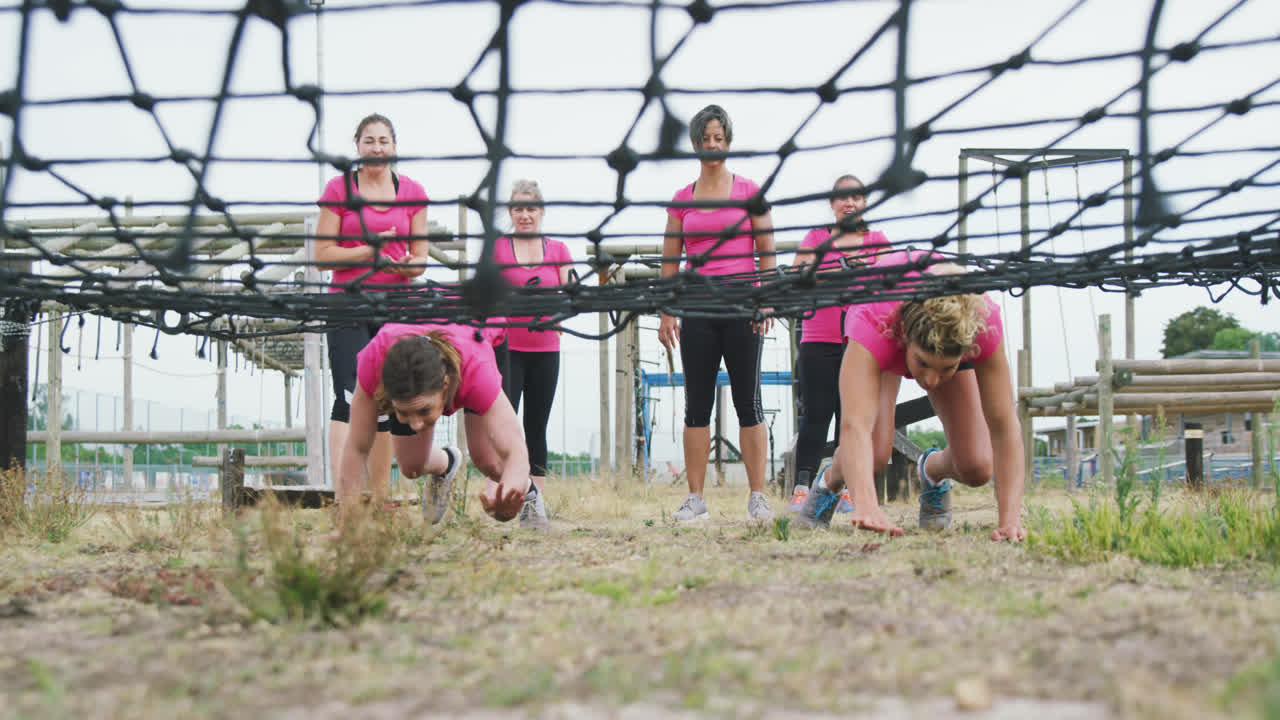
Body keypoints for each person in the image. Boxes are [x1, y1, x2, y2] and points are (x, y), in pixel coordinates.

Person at [794, 250, 1026, 542]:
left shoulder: (983, 325)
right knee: (875, 455)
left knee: (977, 466)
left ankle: (931, 470)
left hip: (944, 316)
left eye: (946, 369)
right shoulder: (873, 318)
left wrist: (1010, 520)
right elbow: (854, 425)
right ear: (905, 340)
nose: (930, 381)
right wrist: (867, 505)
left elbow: (1005, 426)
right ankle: (829, 483)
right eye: (923, 364)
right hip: (884, 318)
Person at [657, 104, 777, 522]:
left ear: (728, 142)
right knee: (696, 404)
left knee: (750, 400)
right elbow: (669, 263)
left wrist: (766, 299)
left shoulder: (749, 192)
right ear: (695, 144)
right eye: (705, 138)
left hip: (743, 307)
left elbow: (768, 255)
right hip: (697, 308)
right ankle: (696, 499)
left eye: (719, 138)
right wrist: (667, 311)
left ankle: (758, 496)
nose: (712, 144)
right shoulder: (680, 201)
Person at [315, 113, 430, 508]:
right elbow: (322, 255)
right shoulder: (338, 188)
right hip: (347, 301)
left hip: (396, 304)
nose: (376, 147)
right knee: (349, 392)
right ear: (358, 146)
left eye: (383, 140)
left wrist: (401, 265)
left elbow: (420, 260)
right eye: (369, 140)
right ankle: (345, 495)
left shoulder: (413, 192)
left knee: (387, 395)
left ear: (394, 146)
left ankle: (379, 496)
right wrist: (371, 251)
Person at [338, 322, 549, 530]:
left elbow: (515, 451)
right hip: (410, 340)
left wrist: (509, 495)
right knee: (411, 467)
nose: (416, 424)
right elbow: (357, 447)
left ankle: (530, 492)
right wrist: (348, 527)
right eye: (403, 412)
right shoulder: (374, 362)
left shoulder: (477, 372)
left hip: (476, 335)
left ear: (446, 386)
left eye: (424, 411)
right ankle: (446, 464)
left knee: (489, 461)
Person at [789, 174, 888, 514]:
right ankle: (802, 487)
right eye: (843, 197)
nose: (850, 203)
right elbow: (796, 277)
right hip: (818, 338)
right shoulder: (816, 238)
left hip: (860, 343)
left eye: (857, 197)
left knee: (853, 417)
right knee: (815, 414)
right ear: (832, 204)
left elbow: (891, 285)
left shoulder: (877, 240)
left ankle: (846, 486)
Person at [493, 180, 573, 492]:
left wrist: (557, 309)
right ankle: (503, 490)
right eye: (518, 209)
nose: (525, 215)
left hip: (545, 349)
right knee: (504, 424)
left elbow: (571, 293)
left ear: (541, 212)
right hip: (507, 350)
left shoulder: (558, 250)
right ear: (510, 212)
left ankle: (535, 497)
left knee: (536, 425)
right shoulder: (498, 249)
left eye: (531, 209)